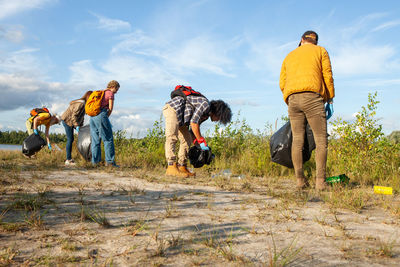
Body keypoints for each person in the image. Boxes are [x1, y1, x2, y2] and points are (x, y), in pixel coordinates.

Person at [279, 30, 335, 190]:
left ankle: (300, 181)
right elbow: (327, 75)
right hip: (312, 97)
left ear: (301, 40)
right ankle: (320, 182)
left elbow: (282, 81)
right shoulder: (320, 51)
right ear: (315, 41)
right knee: (321, 140)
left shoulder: (289, 56)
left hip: (293, 100)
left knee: (297, 140)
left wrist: (289, 96)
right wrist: (330, 98)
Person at [163, 86, 232, 177]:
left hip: (182, 118)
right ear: (218, 112)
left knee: (187, 140)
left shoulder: (206, 115)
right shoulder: (205, 104)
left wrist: (201, 147)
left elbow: (193, 132)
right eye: (219, 118)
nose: (217, 121)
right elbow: (194, 124)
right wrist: (202, 143)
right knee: (172, 137)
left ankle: (182, 166)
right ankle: (171, 166)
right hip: (173, 109)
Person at [90, 80, 120, 167]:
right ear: (113, 87)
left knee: (95, 140)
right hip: (101, 114)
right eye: (117, 89)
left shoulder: (101, 92)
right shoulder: (110, 93)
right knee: (108, 138)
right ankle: (110, 162)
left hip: (92, 116)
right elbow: (110, 108)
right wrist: (106, 118)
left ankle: (95, 162)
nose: (117, 91)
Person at [60, 91, 93, 166]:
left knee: (81, 137)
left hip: (73, 122)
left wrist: (81, 127)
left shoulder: (85, 105)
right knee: (70, 139)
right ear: (88, 97)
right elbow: (74, 116)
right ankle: (68, 160)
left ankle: (86, 157)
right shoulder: (80, 104)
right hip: (67, 120)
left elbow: (81, 117)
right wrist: (77, 126)